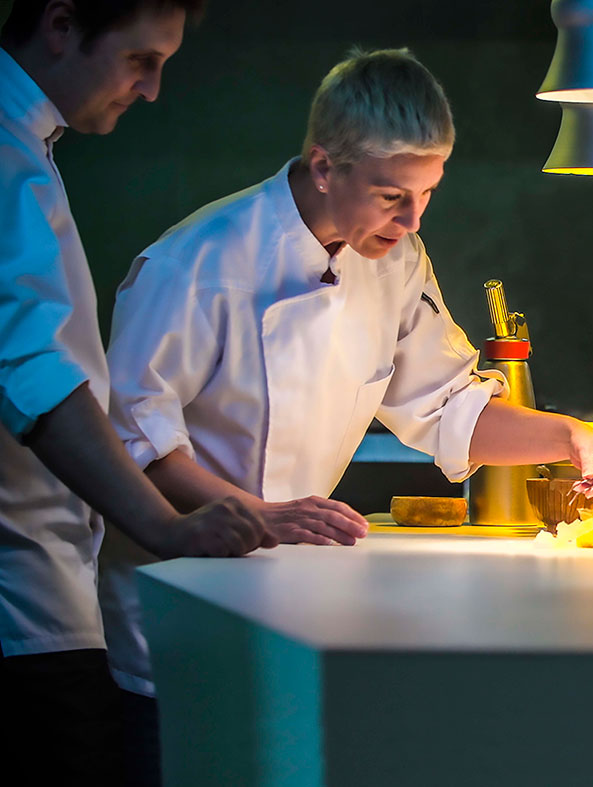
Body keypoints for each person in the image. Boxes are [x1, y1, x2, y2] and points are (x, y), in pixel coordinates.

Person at [98, 46, 593, 778]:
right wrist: (258, 514)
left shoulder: (395, 261)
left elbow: (451, 405)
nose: (411, 220)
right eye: (391, 196)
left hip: (296, 599)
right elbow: (133, 440)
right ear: (324, 167)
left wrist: (567, 436)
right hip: (179, 610)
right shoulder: (197, 262)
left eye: (428, 193)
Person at [0, 0, 277, 783]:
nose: (151, 89)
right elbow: (35, 376)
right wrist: (165, 524)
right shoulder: (5, 154)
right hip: (24, 604)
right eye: (140, 60)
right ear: (62, 24)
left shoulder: (27, 145)